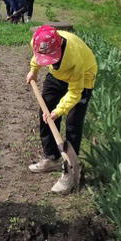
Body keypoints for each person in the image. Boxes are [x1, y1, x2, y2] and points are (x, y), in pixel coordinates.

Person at [26, 25, 97, 194]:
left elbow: (74, 92)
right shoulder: (37, 41)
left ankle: (69, 172)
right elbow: (37, 58)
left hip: (82, 77)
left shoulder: (74, 59)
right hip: (57, 75)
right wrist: (33, 72)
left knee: (73, 122)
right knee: (45, 111)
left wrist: (59, 111)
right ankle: (52, 157)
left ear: (58, 48)